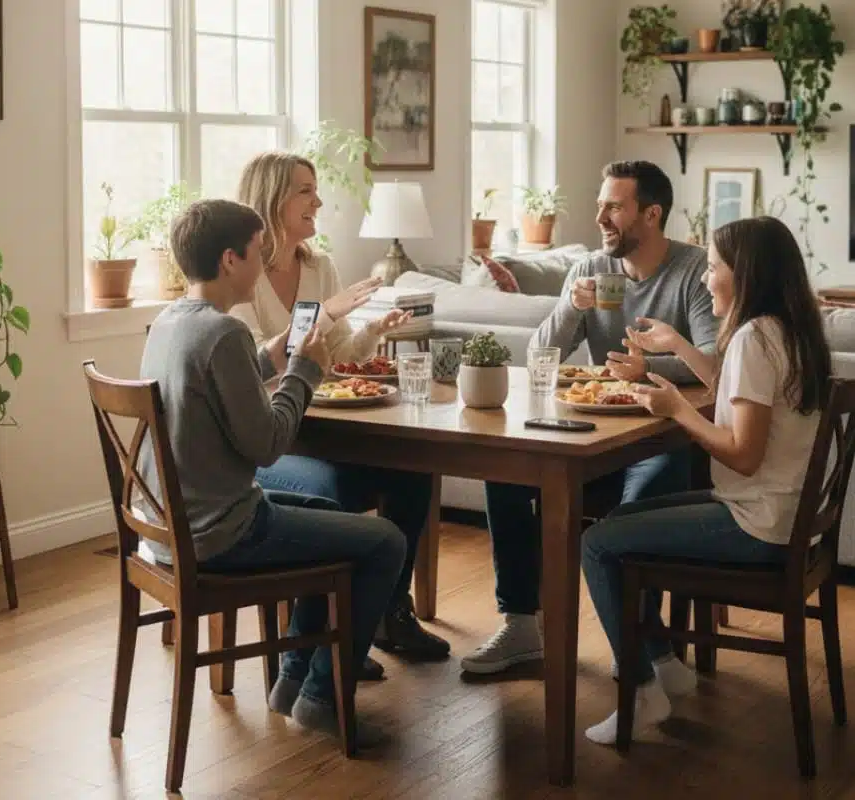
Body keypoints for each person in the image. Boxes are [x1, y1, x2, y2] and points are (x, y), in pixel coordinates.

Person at [138, 198, 405, 745]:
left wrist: (273, 355)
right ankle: (321, 695)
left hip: (168, 531)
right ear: (231, 259)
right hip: (221, 534)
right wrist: (303, 372)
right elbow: (269, 445)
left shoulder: (172, 324)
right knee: (384, 541)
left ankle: (292, 685)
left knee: (333, 518)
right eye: (259, 251)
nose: (265, 262)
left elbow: (215, 383)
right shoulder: (222, 333)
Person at [579, 215, 833, 745]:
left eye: (713, 267)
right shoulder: (786, 330)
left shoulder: (752, 339)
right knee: (620, 521)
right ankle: (664, 664)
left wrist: (678, 410)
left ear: (745, 274)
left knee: (597, 543)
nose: (703, 278)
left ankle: (643, 690)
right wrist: (677, 346)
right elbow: (737, 391)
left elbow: (742, 454)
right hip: (786, 517)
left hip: (757, 523)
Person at [461, 160, 719, 675]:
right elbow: (538, 355)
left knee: (641, 502)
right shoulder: (589, 271)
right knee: (506, 471)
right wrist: (572, 310)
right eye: (600, 205)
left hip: (664, 436)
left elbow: (712, 363)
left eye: (614, 207)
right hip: (593, 430)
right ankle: (521, 627)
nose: (601, 217)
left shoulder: (693, 270)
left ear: (651, 214)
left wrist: (649, 367)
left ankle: (647, 648)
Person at [233, 152, 450, 673]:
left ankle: (387, 612)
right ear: (274, 198)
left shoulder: (319, 265)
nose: (318, 201)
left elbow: (337, 353)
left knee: (413, 470)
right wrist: (327, 314)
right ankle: (331, 640)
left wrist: (376, 329)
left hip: (317, 423)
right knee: (329, 495)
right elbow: (253, 363)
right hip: (269, 442)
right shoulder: (241, 273)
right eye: (306, 191)